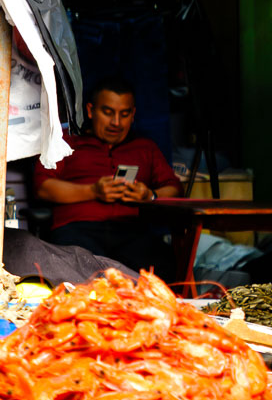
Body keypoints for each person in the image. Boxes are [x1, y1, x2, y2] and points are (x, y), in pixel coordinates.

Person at [32, 76, 181, 273]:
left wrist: (149, 196)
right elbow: (43, 187)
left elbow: (174, 188)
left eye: (124, 114)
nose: (116, 123)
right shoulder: (67, 143)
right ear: (90, 111)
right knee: (76, 266)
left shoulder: (145, 148)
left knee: (165, 264)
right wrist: (93, 191)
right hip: (77, 230)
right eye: (108, 113)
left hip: (131, 232)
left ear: (133, 114)